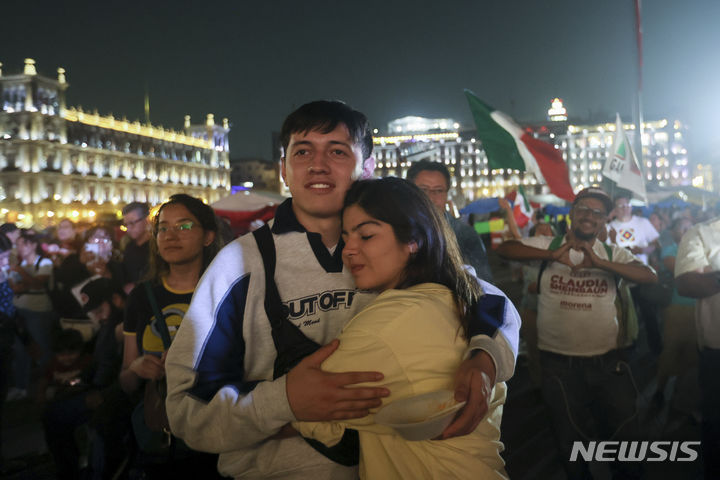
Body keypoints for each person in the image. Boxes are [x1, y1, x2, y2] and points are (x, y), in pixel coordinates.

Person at [165, 100, 519, 479]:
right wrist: (284, 402)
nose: (318, 164)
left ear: (367, 167)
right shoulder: (239, 265)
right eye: (302, 151)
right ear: (283, 169)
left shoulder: (396, 249)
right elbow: (186, 408)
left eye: (337, 150)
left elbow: (485, 299)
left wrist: (484, 357)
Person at [291, 177, 507, 479]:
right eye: (346, 236)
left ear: (413, 241)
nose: (348, 250)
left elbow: (300, 406)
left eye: (366, 236)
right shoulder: (459, 298)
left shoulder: (389, 322)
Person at [497, 187, 657, 480]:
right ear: (572, 214)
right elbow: (504, 248)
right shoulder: (548, 243)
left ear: (603, 221)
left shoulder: (612, 252)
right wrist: (552, 255)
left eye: (597, 213)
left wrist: (600, 264)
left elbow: (649, 275)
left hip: (609, 364)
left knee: (624, 442)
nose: (590, 216)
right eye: (584, 209)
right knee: (570, 445)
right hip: (558, 366)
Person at [119, 194, 224, 478]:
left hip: (221, 431)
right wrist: (137, 368)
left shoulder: (228, 292)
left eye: (185, 226)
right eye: (163, 228)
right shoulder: (142, 296)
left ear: (208, 236)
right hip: (163, 436)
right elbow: (126, 380)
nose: (170, 235)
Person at [675, 215, 720, 478]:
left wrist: (712, 276)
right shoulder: (701, 234)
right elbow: (687, 283)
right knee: (716, 426)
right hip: (717, 354)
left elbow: (705, 280)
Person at [406, 159, 493, 282]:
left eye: (438, 191)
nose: (431, 198)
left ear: (447, 194)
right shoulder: (396, 231)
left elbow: (484, 284)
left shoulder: (465, 235)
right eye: (423, 189)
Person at [609, 193, 662, 354]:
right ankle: (628, 348)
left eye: (627, 205)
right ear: (615, 209)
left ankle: (656, 347)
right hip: (621, 280)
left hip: (641, 275)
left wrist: (642, 250)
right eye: (621, 206)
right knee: (624, 314)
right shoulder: (609, 227)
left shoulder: (643, 223)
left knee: (648, 313)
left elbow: (655, 244)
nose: (625, 209)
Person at [8, 229, 58, 399]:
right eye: (18, 244)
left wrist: (22, 275)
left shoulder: (44, 262)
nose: (20, 247)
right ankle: (21, 386)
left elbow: (38, 284)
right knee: (20, 349)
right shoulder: (20, 265)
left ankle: (47, 385)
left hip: (39, 311)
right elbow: (16, 287)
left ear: (34, 245)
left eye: (24, 243)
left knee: (42, 347)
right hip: (20, 310)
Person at [121, 201, 151, 294]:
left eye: (132, 223)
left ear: (146, 220)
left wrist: (137, 286)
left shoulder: (158, 247)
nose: (129, 229)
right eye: (126, 224)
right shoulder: (129, 246)